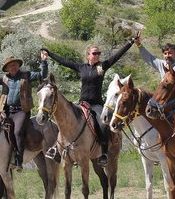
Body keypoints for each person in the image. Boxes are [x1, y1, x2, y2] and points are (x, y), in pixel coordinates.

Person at [43, 37, 136, 166]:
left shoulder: (102, 67)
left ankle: (103, 153)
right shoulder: (81, 67)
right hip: (82, 104)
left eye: (99, 53)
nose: (97, 55)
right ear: (88, 55)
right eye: (94, 53)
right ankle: (56, 148)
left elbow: (117, 56)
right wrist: (50, 54)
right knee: (66, 120)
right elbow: (64, 62)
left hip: (96, 104)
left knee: (103, 123)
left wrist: (130, 43)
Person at [0, 52, 49, 170]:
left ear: (18, 66)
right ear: (6, 68)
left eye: (15, 65)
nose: (13, 67)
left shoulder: (27, 75)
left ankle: (18, 161)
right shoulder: (4, 78)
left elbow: (42, 74)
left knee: (17, 132)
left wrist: (44, 61)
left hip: (22, 111)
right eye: (10, 66)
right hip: (6, 111)